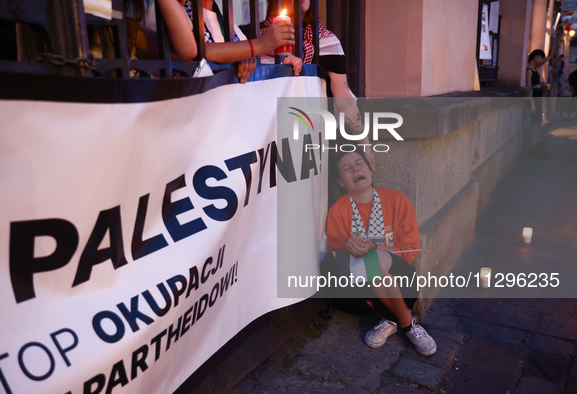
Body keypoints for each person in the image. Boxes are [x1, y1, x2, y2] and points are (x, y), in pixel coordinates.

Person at [325, 148, 436, 356]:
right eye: (346, 168)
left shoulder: (397, 200)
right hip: (363, 287)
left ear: (370, 169)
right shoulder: (338, 211)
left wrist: (376, 249)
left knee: (374, 259)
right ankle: (406, 323)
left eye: (359, 163)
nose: (355, 168)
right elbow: (338, 256)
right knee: (367, 263)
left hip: (402, 281)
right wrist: (354, 250)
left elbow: (410, 249)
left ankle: (391, 320)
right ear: (340, 181)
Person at [262, 0, 374, 169]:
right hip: (268, 138)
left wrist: (366, 147)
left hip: (309, 139)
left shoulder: (325, 41)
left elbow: (344, 98)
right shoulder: (259, 39)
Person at [184, 0, 302, 83]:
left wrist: (285, 66)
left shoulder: (228, 24)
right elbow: (194, 50)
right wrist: (258, 45)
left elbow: (253, 68)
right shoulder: (182, 14)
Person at [526, 49, 552, 159]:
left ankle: (537, 146)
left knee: (537, 122)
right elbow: (529, 88)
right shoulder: (529, 70)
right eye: (540, 57)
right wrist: (531, 103)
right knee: (534, 123)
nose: (541, 60)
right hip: (533, 99)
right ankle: (533, 148)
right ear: (535, 57)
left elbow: (547, 59)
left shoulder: (535, 69)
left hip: (537, 98)